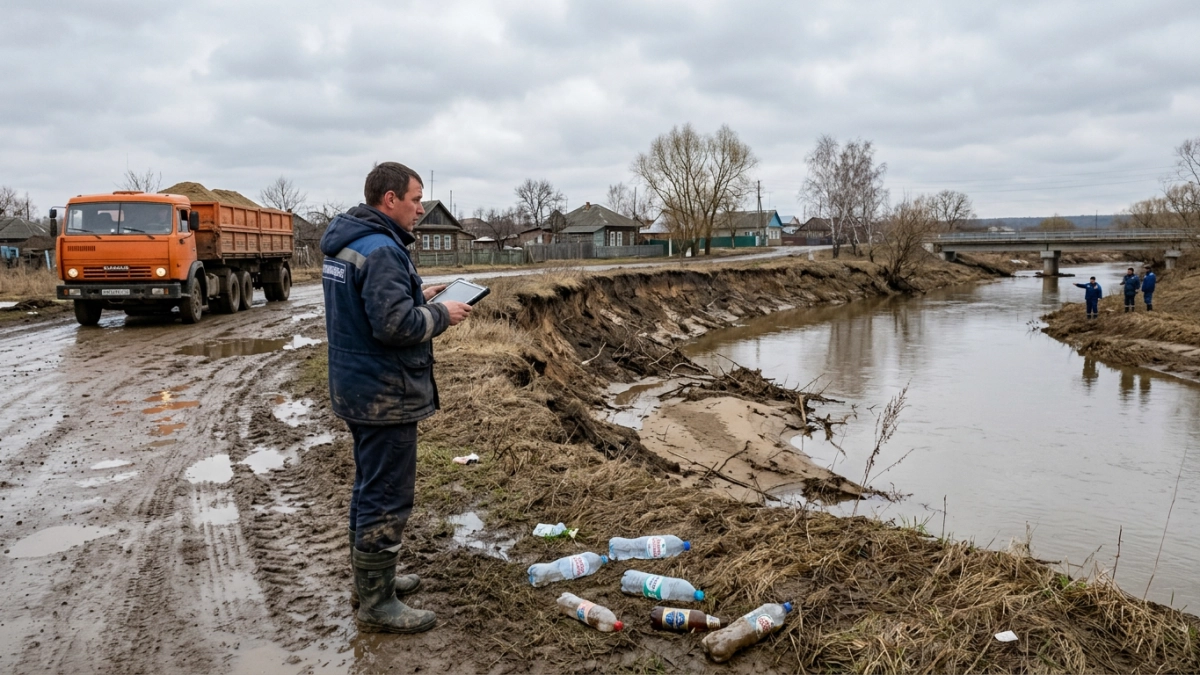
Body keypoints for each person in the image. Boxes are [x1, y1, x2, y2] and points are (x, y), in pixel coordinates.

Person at [320, 162, 472, 634]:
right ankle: (377, 602)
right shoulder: (383, 249)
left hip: (356, 386)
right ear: (390, 199)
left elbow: (369, 307)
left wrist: (417, 293)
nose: (421, 209)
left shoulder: (349, 242)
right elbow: (395, 327)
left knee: (369, 486)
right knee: (387, 494)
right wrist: (440, 315)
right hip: (385, 392)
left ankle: (369, 583)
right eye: (416, 198)